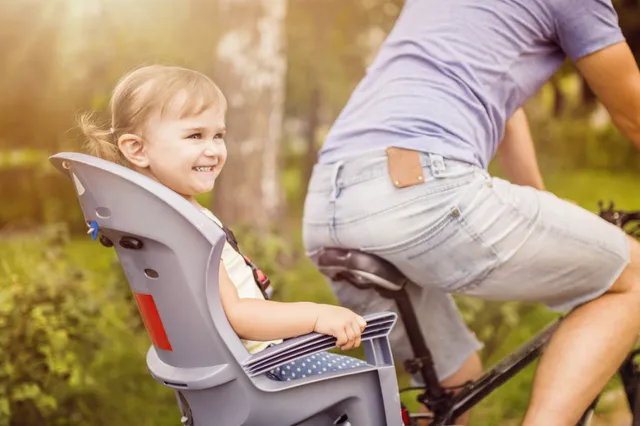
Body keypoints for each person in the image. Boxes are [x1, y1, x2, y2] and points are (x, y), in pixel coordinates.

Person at [302, 0, 640, 424]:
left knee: (456, 384)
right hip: (421, 192)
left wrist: (542, 201)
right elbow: (633, 115)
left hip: (329, 204)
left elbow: (503, 102)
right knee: (632, 279)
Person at [78, 64, 368, 382]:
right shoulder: (185, 229)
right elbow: (238, 314)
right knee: (369, 385)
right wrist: (317, 314)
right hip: (266, 367)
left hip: (245, 365)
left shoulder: (161, 219)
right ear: (137, 149)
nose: (213, 149)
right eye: (195, 135)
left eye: (218, 135)